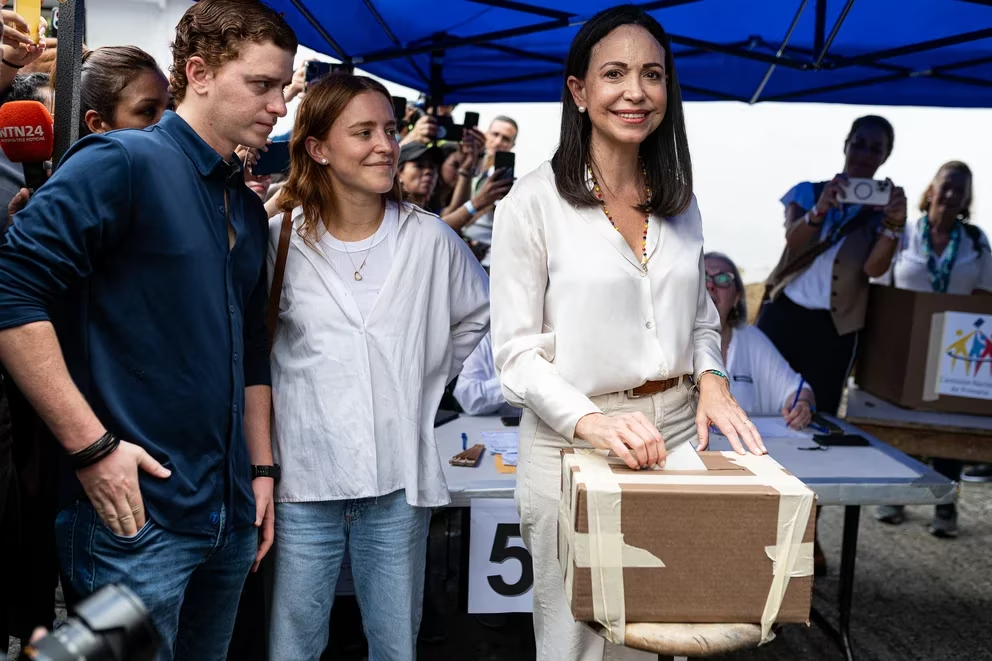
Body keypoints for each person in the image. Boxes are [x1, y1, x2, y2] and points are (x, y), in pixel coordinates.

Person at [0, 2, 297, 660]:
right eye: (261, 84)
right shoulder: (121, 160)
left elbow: (250, 348)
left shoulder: (244, 207)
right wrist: (93, 448)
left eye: (284, 85)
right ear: (199, 72)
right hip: (132, 525)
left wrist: (262, 470)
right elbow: (12, 291)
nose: (280, 104)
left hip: (226, 518)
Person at [489, 7, 764, 661]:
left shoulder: (680, 198)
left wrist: (712, 378)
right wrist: (593, 422)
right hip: (569, 446)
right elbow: (516, 355)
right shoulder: (531, 202)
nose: (635, 92)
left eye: (652, 75)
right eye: (614, 74)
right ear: (579, 91)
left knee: (661, 635)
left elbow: (701, 314)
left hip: (671, 437)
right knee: (576, 645)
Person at [266, 73, 489, 661]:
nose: (386, 146)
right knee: (294, 644)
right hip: (303, 478)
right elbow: (252, 349)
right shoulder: (280, 239)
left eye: (389, 129)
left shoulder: (430, 239)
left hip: (396, 477)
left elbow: (477, 312)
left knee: (395, 645)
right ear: (317, 148)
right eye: (363, 132)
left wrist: (422, 379)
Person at [757, 116, 907, 418]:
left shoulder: (883, 209)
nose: (864, 155)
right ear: (846, 146)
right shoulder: (809, 192)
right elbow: (793, 239)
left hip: (836, 326)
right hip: (785, 312)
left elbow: (874, 269)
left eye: (875, 149)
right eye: (859, 144)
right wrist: (820, 208)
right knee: (763, 398)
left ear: (885, 157)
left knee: (819, 409)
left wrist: (894, 223)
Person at [873, 161, 991, 537]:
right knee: (901, 418)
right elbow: (882, 283)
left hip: (954, 345)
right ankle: (894, 494)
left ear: (967, 197)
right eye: (946, 186)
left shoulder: (975, 241)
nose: (951, 194)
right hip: (906, 342)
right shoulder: (905, 233)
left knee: (950, 421)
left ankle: (944, 502)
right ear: (931, 189)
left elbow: (986, 293)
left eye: (960, 189)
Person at [704, 252, 815, 427]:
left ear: (736, 298)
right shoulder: (669, 339)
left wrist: (802, 406)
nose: (710, 285)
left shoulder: (751, 340)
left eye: (724, 279)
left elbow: (798, 390)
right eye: (702, 276)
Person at [452, 332, 519, 416]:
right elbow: (469, 399)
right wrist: (515, 381)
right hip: (495, 424)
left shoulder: (538, 339)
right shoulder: (481, 341)